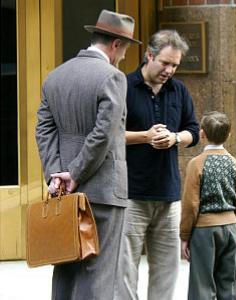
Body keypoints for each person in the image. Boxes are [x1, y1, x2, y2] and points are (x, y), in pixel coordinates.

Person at [35, 9, 141, 300]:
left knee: (66, 270)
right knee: (99, 274)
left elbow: (44, 131)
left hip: (63, 192)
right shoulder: (113, 77)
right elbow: (103, 134)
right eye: (125, 50)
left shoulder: (55, 77)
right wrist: (76, 174)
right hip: (103, 190)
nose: (122, 58)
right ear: (116, 44)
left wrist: (57, 175)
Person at [122, 30, 200, 300]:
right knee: (124, 271)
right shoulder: (124, 86)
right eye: (165, 63)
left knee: (167, 271)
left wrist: (175, 137)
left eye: (175, 65)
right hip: (130, 195)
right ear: (149, 55)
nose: (170, 70)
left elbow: (194, 130)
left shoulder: (178, 90)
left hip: (168, 196)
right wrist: (145, 136)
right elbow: (109, 135)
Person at [180, 111, 236, 300]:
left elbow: (190, 205)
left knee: (202, 285)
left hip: (204, 231)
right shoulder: (234, 164)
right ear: (229, 135)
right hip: (231, 229)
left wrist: (185, 236)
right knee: (230, 285)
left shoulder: (196, 164)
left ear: (201, 134)